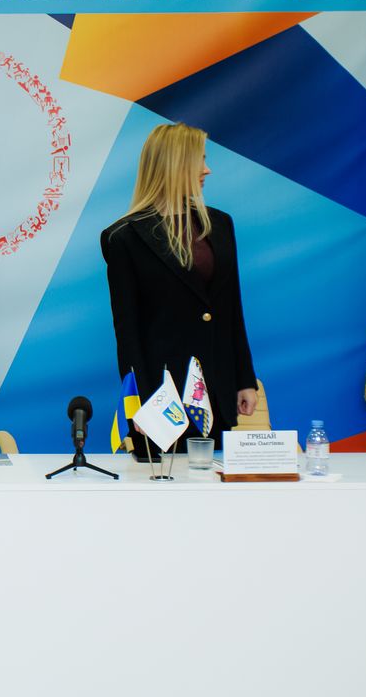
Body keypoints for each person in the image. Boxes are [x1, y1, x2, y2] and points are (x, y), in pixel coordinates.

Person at [100, 122, 258, 453]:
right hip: (161, 398)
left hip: (216, 389)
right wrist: (140, 402)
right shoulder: (124, 237)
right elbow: (127, 333)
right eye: (200, 160)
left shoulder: (221, 224)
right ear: (175, 164)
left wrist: (244, 379)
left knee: (214, 481)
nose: (207, 169)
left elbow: (232, 310)